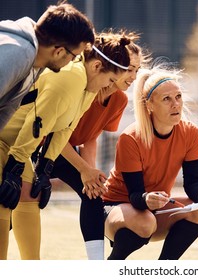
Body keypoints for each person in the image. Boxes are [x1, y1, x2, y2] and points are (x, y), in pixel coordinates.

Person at [0, 31, 132, 260]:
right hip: (5, 140)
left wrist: (45, 166)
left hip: (17, 144)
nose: (111, 86)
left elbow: (64, 128)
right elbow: (37, 123)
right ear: (97, 66)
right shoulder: (69, 78)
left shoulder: (89, 87)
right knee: (4, 201)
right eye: (111, 80)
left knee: (30, 195)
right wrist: (14, 168)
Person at [49, 33, 148, 260]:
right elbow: (56, 135)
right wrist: (84, 169)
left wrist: (90, 174)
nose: (132, 76)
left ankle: (96, 266)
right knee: (23, 200)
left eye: (136, 70)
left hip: (66, 153)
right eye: (128, 68)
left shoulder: (119, 100)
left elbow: (91, 136)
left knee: (93, 195)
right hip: (43, 147)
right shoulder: (83, 88)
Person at [102, 64, 198, 260]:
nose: (176, 104)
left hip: (153, 208)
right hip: (117, 206)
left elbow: (193, 183)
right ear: (150, 105)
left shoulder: (191, 133)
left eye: (178, 97)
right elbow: (135, 195)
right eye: (167, 99)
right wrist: (147, 199)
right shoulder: (131, 137)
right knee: (145, 222)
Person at [0, 1, 95, 130]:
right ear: (59, 51)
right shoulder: (18, 54)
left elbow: (6, 109)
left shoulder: (37, 62)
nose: (72, 62)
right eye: (74, 56)